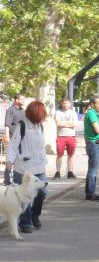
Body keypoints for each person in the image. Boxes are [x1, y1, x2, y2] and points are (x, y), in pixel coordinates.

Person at [6, 100, 49, 233]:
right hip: (24, 167)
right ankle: (25, 223)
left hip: (39, 165)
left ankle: (35, 215)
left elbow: (41, 146)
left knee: (42, 193)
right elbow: (13, 145)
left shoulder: (40, 126)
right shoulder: (22, 125)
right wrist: (9, 161)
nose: (41, 118)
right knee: (23, 196)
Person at [83, 95, 99, 201]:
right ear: (92, 104)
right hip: (94, 144)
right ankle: (90, 193)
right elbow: (98, 130)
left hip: (95, 143)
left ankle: (91, 192)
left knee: (93, 169)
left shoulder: (95, 113)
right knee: (93, 170)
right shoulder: (91, 113)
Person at [3, 93, 25, 185]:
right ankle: (7, 179)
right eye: (22, 99)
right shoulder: (10, 110)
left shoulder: (23, 110)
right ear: (16, 100)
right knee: (10, 159)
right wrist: (7, 136)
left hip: (22, 139)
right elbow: (7, 125)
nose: (24, 101)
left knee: (20, 159)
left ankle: (18, 179)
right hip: (12, 138)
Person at [54, 98, 78, 180]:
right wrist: (68, 124)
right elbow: (58, 123)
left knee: (71, 155)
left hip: (71, 136)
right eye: (64, 103)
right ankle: (57, 172)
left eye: (67, 103)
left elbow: (74, 124)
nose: (65, 105)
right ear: (61, 103)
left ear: (70, 104)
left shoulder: (73, 113)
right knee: (59, 154)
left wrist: (63, 124)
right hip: (61, 136)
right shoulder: (58, 112)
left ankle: (70, 172)